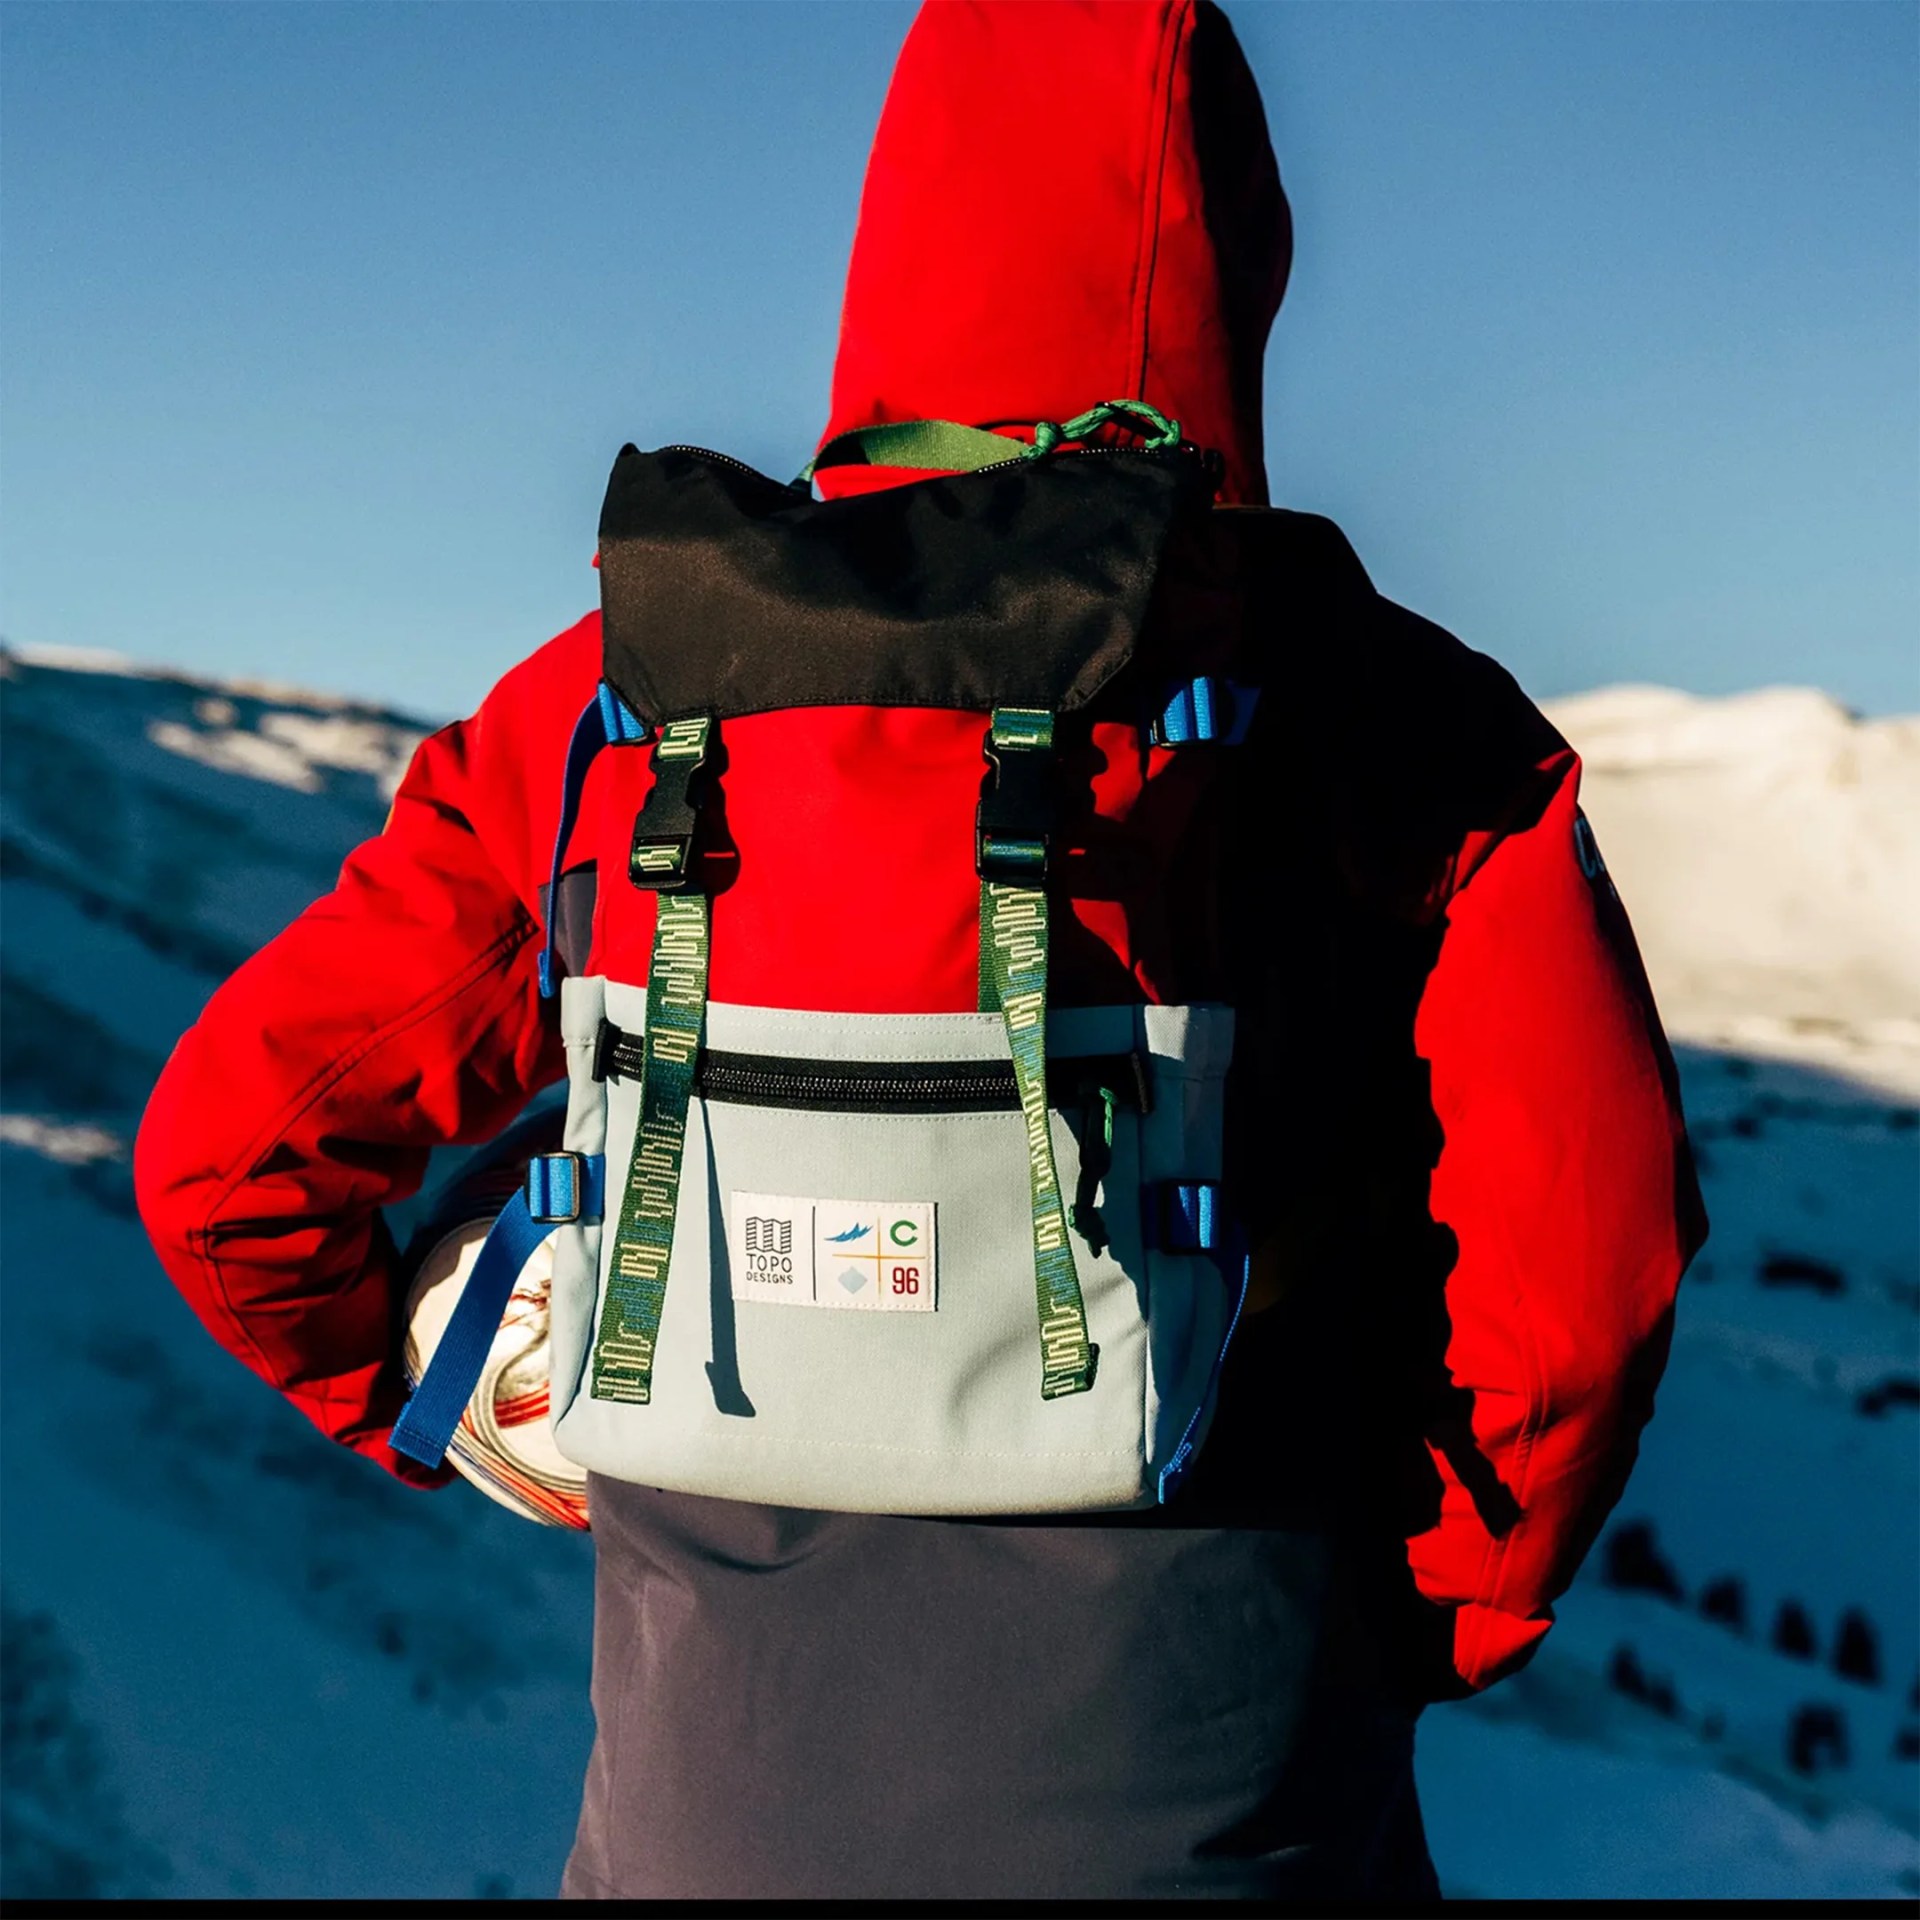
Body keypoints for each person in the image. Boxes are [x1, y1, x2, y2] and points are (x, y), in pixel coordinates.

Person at [134, 0, 1706, 1899]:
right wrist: (1426, 1618)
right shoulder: (1396, 718)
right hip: (1234, 1778)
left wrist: (421, 1394)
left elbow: (230, 1165)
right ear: (1238, 265)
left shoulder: (610, 700)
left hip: (707, 1823)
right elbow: (1586, 1269)